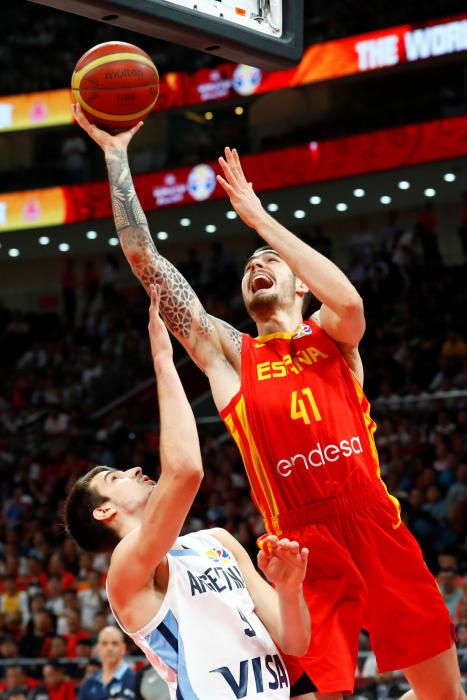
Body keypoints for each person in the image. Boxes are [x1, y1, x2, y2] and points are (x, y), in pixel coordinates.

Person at [72, 104, 462, 700]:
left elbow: (351, 301)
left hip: (376, 525)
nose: (256, 263)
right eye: (250, 263)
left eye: (269, 262)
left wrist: (261, 223)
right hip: (300, 549)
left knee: (444, 695)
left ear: (301, 281)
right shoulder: (233, 357)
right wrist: (117, 158)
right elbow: (149, 266)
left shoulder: (333, 337)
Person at [64, 282, 310, 699]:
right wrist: (163, 361)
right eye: (114, 477)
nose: (134, 469)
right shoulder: (127, 572)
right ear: (103, 513)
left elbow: (294, 641)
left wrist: (289, 590)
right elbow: (185, 471)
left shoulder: (218, 541)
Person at [77, 627, 135, 700]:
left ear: (123, 648)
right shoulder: (89, 683)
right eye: (104, 644)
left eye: (114, 643)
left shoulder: (135, 680)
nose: (109, 648)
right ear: (98, 648)